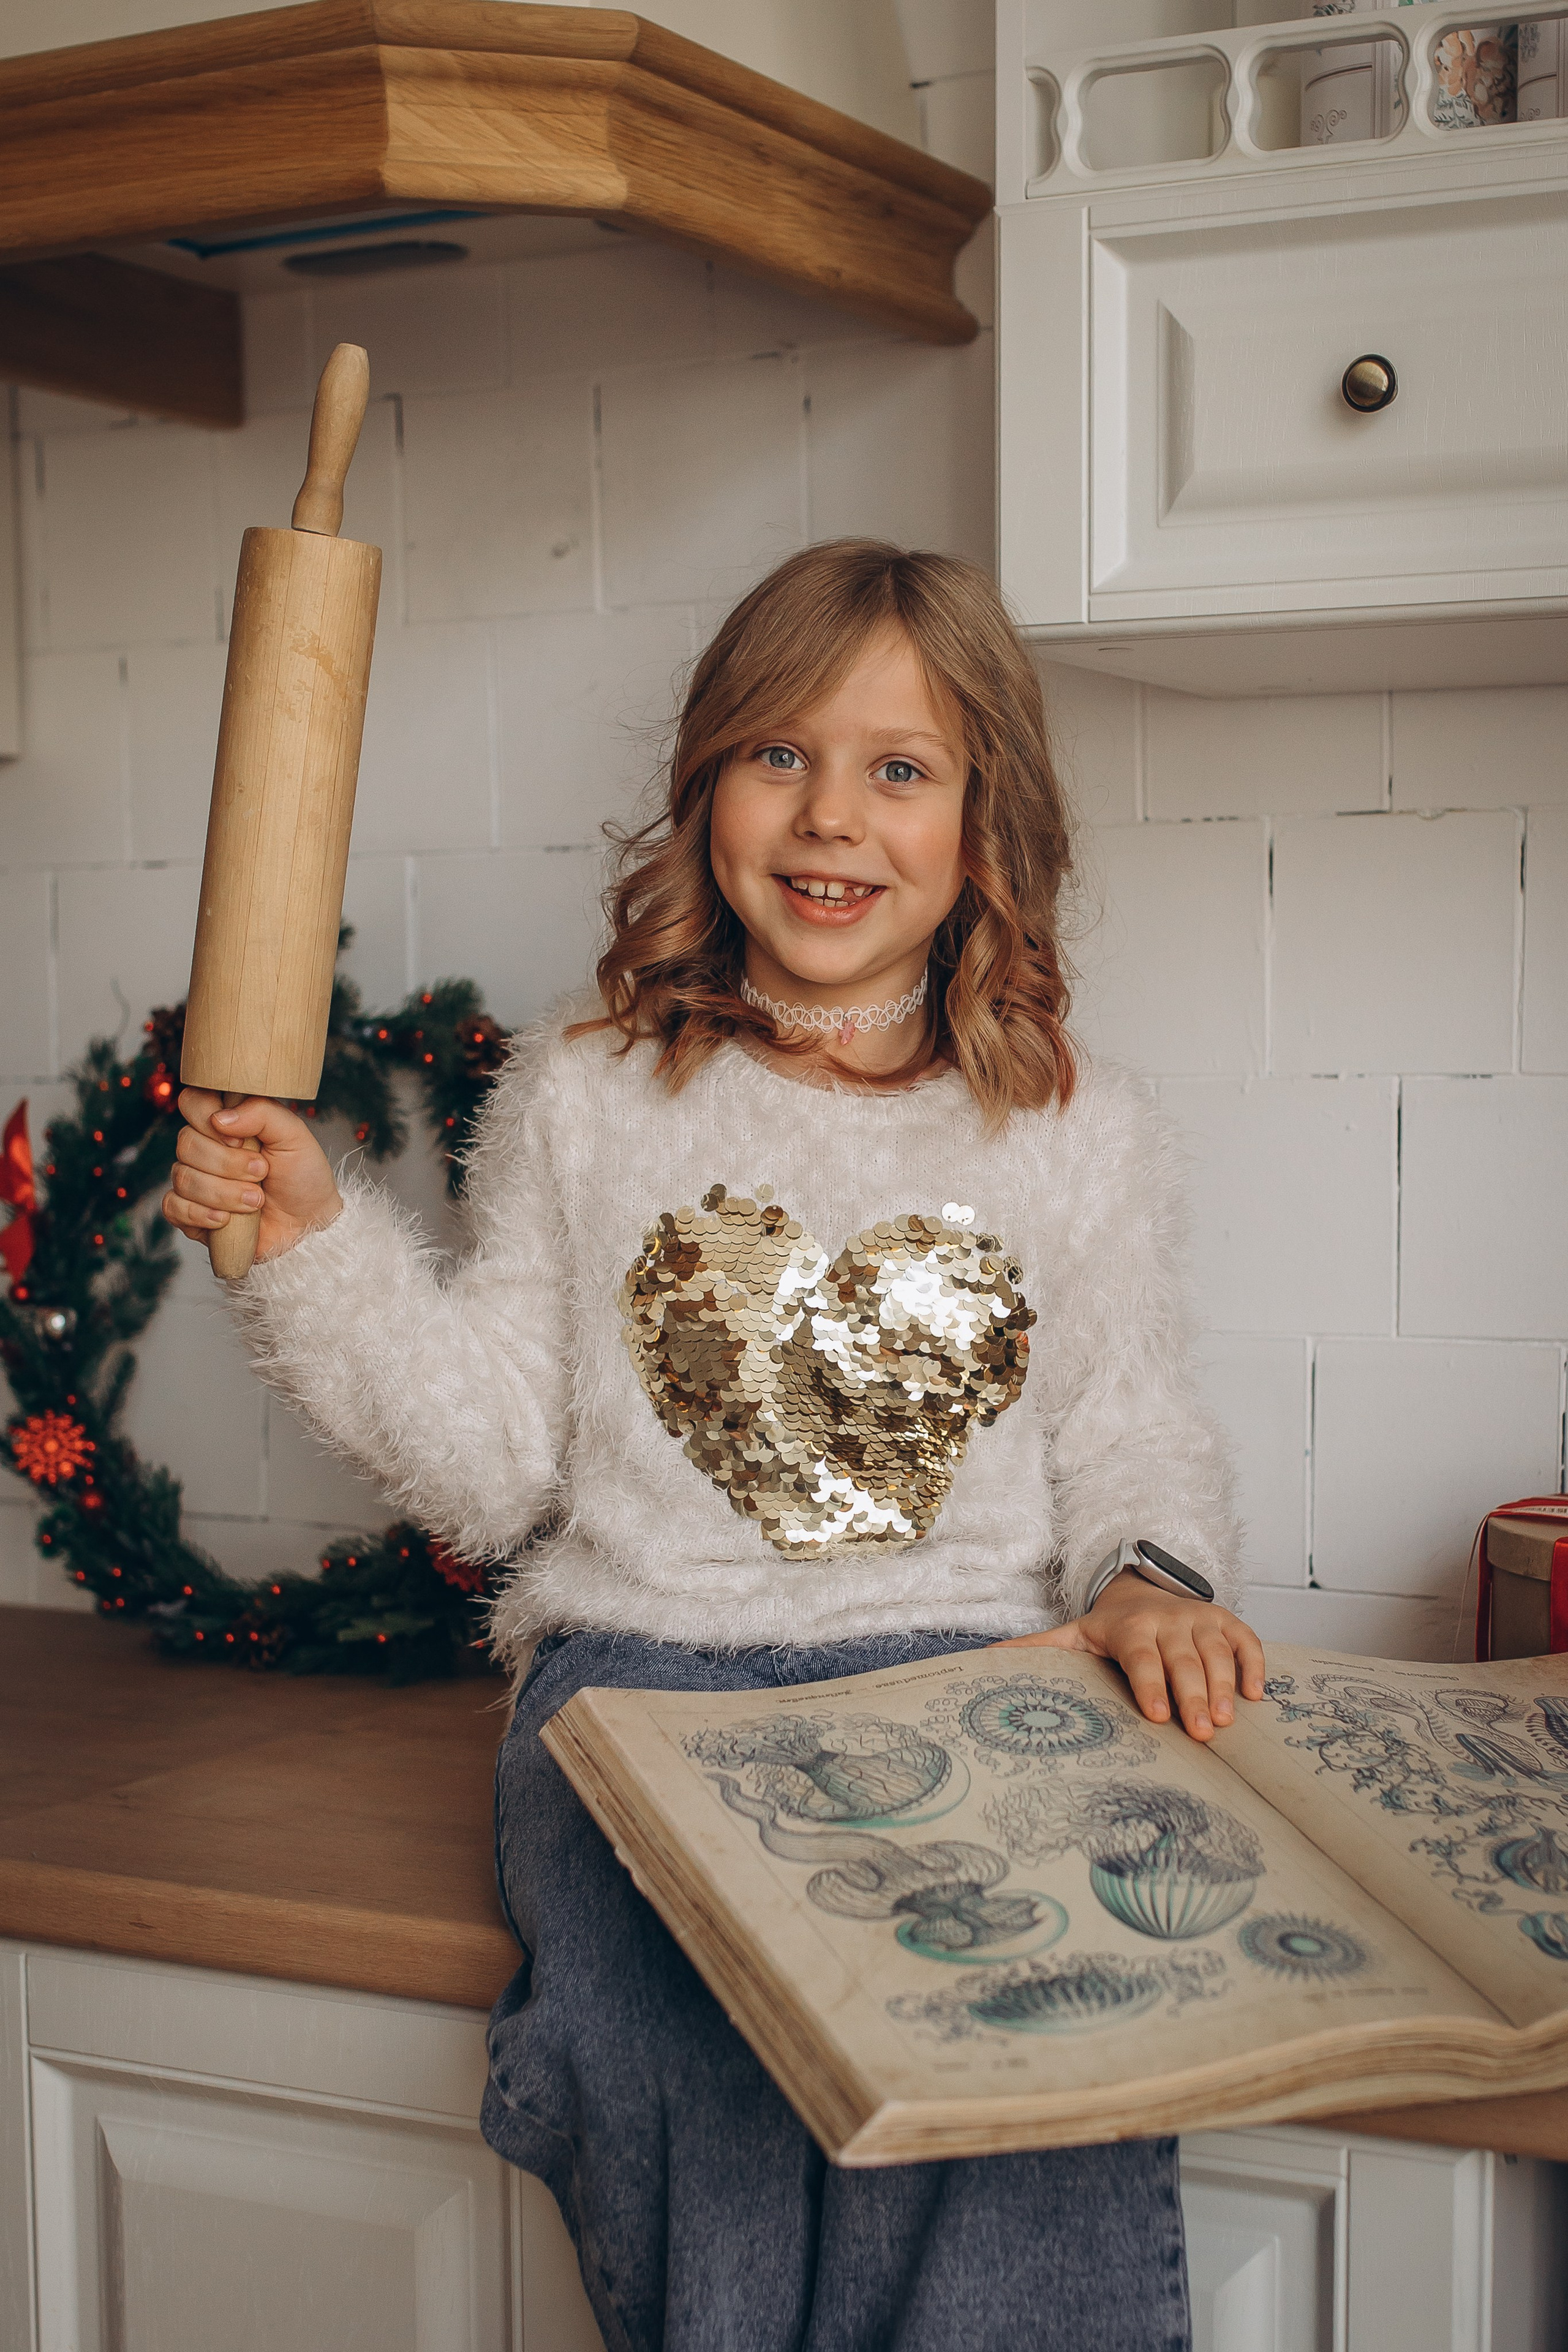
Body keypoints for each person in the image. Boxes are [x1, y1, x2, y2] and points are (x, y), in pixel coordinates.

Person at [165, 540, 1263, 2352]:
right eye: (780, 754)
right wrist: (310, 1241)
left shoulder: (1077, 1126)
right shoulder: (591, 1093)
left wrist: (1149, 1580)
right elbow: (493, 1465)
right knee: (694, 2044)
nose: (832, 817)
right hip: (646, 1695)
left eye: (901, 769)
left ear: (990, 819)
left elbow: (1135, 1417)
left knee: (1029, 2052)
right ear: (706, 789)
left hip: (974, 1686)